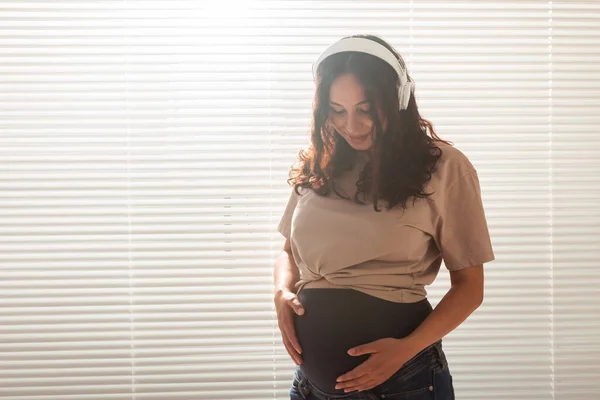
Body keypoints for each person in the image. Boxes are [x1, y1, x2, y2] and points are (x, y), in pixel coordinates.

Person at [273, 34, 495, 400]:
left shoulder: (443, 167)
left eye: (365, 108)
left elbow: (470, 287)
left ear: (399, 99)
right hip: (310, 387)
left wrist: (404, 351)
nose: (352, 125)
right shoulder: (320, 164)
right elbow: (288, 251)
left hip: (403, 383)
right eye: (337, 110)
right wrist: (281, 291)